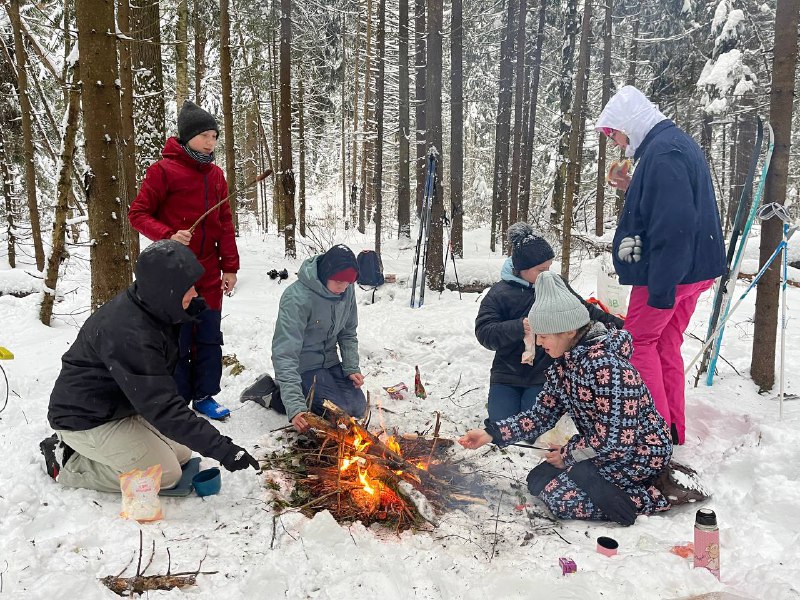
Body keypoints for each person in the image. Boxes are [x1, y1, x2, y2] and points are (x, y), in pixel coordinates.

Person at [41, 241, 258, 493]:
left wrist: (188, 309)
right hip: (85, 418)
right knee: (164, 475)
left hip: (121, 407)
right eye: (186, 289)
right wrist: (224, 449)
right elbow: (162, 405)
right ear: (166, 290)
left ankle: (106, 453)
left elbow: (157, 392)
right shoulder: (129, 332)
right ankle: (67, 463)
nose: (195, 294)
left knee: (183, 453)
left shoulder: (156, 309)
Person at [460, 271, 673, 526]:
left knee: (558, 497)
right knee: (538, 481)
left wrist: (568, 455)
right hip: (599, 447)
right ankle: (589, 475)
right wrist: (492, 434)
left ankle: (653, 496)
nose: (538, 343)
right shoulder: (564, 364)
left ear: (570, 330)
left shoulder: (609, 369)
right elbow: (541, 415)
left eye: (544, 336)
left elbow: (617, 440)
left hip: (639, 452)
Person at [596, 85, 726, 445]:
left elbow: (676, 224)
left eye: (615, 134)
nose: (618, 143)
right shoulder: (670, 145)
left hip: (670, 272)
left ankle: (651, 435)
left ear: (629, 123)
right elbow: (670, 203)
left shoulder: (663, 153)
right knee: (665, 344)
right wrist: (631, 187)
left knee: (637, 343)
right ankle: (671, 431)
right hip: (693, 271)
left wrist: (661, 288)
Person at [129, 100, 238, 420]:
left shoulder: (216, 176)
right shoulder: (162, 171)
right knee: (176, 339)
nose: (210, 142)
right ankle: (174, 401)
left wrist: (230, 266)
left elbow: (226, 223)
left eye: (215, 136)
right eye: (204, 135)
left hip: (207, 271)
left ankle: (204, 395)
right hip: (173, 274)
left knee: (208, 336)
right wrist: (167, 234)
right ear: (187, 136)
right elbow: (137, 214)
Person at [475, 222, 624, 422]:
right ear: (521, 269)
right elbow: (485, 332)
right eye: (540, 270)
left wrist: (619, 324)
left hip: (544, 372)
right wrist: (520, 327)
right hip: (507, 373)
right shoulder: (499, 293)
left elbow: (582, 311)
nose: (547, 274)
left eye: (549, 268)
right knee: (502, 422)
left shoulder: (555, 284)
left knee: (534, 425)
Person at [272, 244, 367, 432]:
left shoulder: (346, 290)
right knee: (336, 414)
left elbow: (348, 332)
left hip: (330, 362)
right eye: (339, 281)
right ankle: (274, 394)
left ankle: (301, 392)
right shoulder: (297, 298)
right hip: (304, 367)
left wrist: (350, 367)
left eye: (349, 282)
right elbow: (285, 353)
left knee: (358, 408)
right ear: (326, 273)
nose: (344, 287)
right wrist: (295, 407)